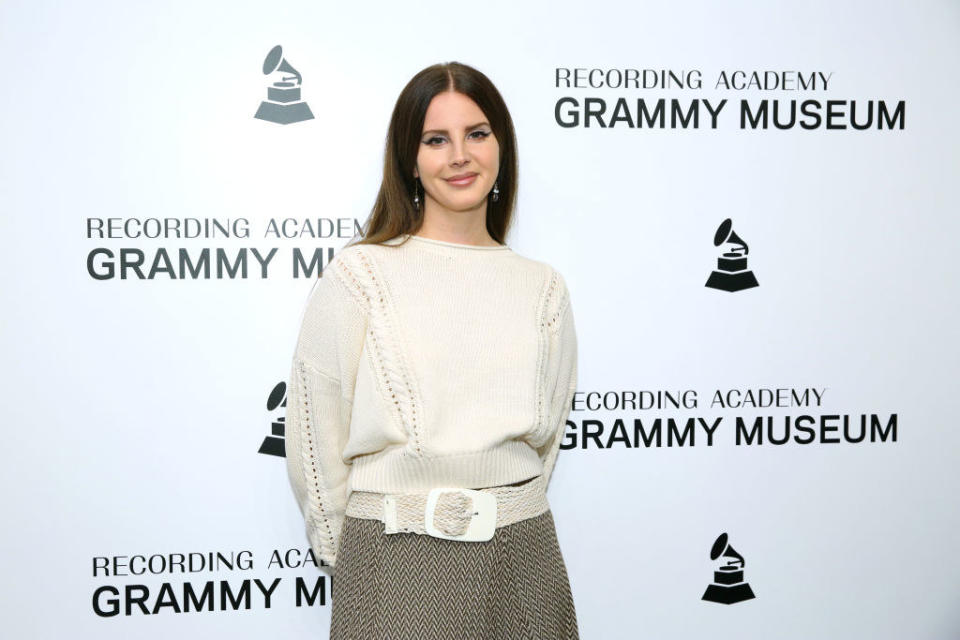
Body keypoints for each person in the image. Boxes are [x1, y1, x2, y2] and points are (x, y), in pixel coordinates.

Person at [284, 60, 579, 639]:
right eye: (435, 139)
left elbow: (545, 444)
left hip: (524, 560)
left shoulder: (543, 287)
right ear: (410, 159)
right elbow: (315, 435)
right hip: (390, 558)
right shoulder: (360, 274)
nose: (459, 156)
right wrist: (357, 554)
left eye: (477, 133)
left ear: (502, 147)